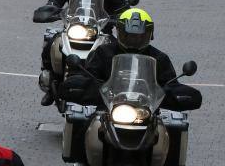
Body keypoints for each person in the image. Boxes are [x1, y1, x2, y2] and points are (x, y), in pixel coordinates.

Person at [40, 0, 128, 106]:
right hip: (74, 27)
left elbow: (122, 6)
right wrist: (50, 7)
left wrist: (122, 17)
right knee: (51, 43)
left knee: (118, 55)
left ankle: (115, 92)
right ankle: (51, 85)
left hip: (102, 30)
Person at [64, 7, 202, 113]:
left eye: (139, 37)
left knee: (173, 128)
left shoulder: (159, 58)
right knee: (82, 124)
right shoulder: (103, 52)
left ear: (149, 35)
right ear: (119, 32)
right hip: (107, 110)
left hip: (147, 113)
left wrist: (174, 94)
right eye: (128, 36)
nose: (134, 40)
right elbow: (89, 77)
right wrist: (90, 87)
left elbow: (171, 85)